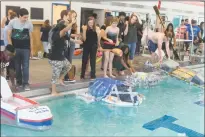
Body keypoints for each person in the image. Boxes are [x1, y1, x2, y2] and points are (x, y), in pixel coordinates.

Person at [7, 8, 33, 91]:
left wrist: (32, 49)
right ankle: (19, 82)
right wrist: (11, 47)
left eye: (27, 17)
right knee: (17, 66)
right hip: (16, 48)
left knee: (25, 66)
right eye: (24, 17)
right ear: (19, 16)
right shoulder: (12, 22)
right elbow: (8, 35)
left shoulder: (29, 24)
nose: (26, 19)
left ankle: (26, 83)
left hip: (26, 49)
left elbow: (31, 37)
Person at [48, 19, 76, 96]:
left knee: (68, 66)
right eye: (66, 24)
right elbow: (65, 29)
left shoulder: (63, 34)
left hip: (60, 57)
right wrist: (72, 22)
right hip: (55, 58)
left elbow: (69, 38)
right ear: (63, 27)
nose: (68, 26)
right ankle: (53, 92)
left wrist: (76, 42)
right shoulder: (57, 33)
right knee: (55, 75)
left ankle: (60, 79)